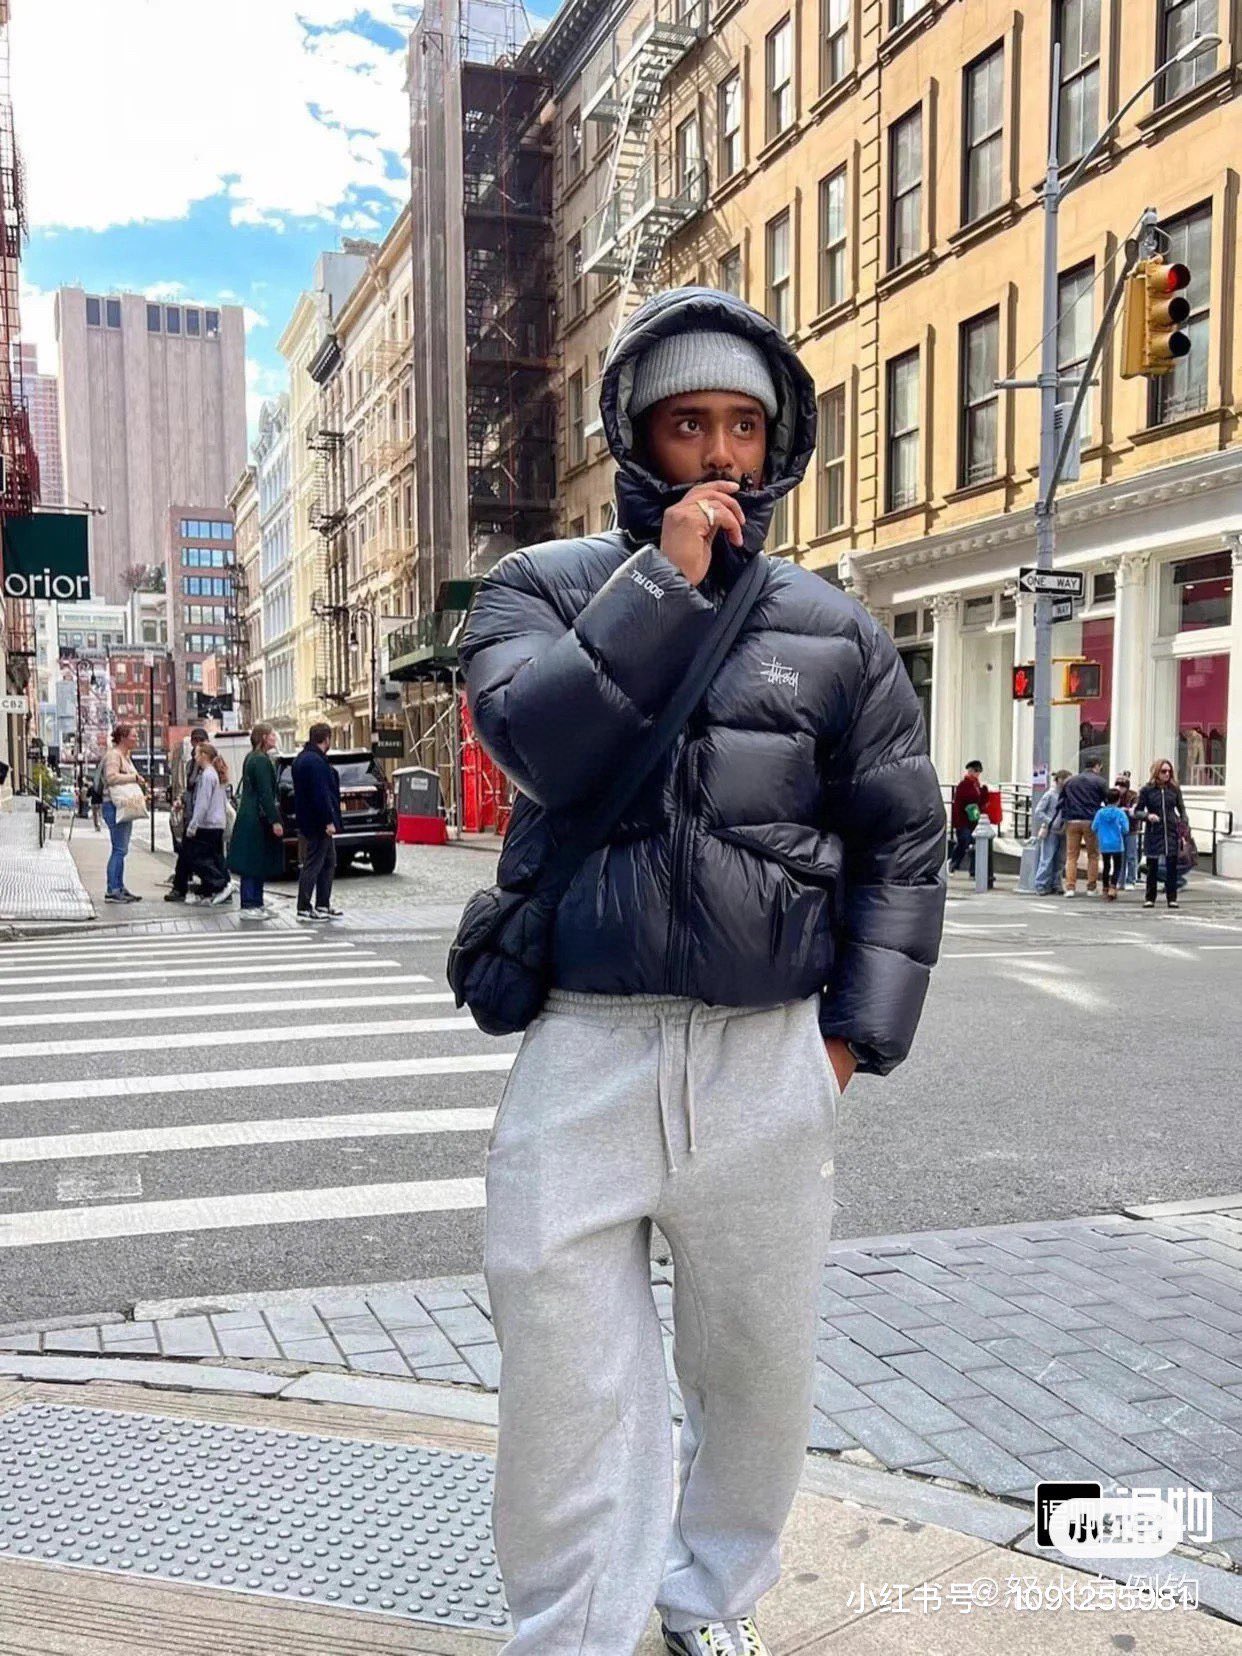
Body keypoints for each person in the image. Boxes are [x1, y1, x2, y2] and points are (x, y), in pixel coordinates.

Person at [458, 286, 946, 1656]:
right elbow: (536, 745)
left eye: (743, 423)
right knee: (562, 1376)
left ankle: (705, 1603)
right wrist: (660, 588)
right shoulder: (540, 589)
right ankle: (571, 1630)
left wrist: (847, 1042)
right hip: (586, 1039)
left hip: (763, 1053)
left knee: (754, 1370)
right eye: (689, 423)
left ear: (776, 440)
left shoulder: (835, 628)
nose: (720, 452)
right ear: (637, 436)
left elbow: (900, 841)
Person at [228, 722, 285, 918]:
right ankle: (250, 904)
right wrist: (275, 820)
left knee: (255, 861)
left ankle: (255, 903)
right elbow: (265, 793)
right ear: (263, 737)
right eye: (272, 735)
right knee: (253, 862)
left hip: (249, 815)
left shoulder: (251, 757)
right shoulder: (261, 760)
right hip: (255, 819)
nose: (274, 738)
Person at [291, 722, 343, 921]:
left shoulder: (302, 759)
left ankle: (322, 904)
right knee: (314, 863)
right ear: (326, 739)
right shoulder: (316, 762)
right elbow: (321, 794)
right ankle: (304, 906)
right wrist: (328, 820)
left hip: (307, 818)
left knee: (329, 860)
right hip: (317, 822)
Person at [101, 723, 149, 903]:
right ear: (123, 738)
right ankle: (113, 889)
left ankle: (119, 886)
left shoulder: (125, 756)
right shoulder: (114, 756)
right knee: (119, 849)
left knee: (121, 849)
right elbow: (111, 777)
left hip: (121, 806)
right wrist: (133, 777)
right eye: (133, 736)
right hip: (114, 806)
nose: (136, 739)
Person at [180, 742, 233, 904]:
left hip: (207, 824)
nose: (195, 757)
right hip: (217, 823)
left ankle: (219, 884)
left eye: (196, 753)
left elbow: (202, 803)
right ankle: (213, 890)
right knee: (214, 857)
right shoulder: (214, 773)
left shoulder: (207, 775)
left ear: (204, 755)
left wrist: (193, 825)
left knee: (197, 858)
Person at [1137, 758, 1189, 911]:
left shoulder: (1174, 789)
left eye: (1169, 771)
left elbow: (1182, 808)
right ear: (1156, 772)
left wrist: (1183, 824)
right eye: (1163, 771)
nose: (1167, 774)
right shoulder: (1147, 790)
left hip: (1171, 831)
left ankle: (1172, 898)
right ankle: (1150, 898)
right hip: (1154, 831)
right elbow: (1138, 811)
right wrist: (1148, 816)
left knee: (1171, 866)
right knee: (1152, 866)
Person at [168, 726, 210, 902]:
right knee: (187, 852)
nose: (198, 744)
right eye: (195, 740)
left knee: (208, 854)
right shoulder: (191, 764)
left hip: (203, 817)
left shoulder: (209, 765)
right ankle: (181, 887)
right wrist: (181, 800)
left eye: (201, 740)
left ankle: (214, 885)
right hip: (192, 814)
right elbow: (189, 789)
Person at [1058, 758, 1107, 897]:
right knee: (1093, 855)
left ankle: (1070, 887)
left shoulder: (1070, 782)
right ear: (1097, 766)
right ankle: (1091, 887)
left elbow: (1062, 800)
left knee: (1071, 856)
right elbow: (1107, 800)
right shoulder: (1100, 781)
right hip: (1091, 820)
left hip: (1072, 820)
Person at [1032, 768, 1071, 895]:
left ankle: (1056, 883)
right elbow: (1038, 811)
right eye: (1067, 780)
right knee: (1047, 858)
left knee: (1060, 859)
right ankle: (1040, 884)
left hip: (1063, 829)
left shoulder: (1068, 795)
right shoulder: (1050, 794)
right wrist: (1050, 821)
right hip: (1051, 830)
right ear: (1059, 780)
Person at [1091, 789, 1130, 903]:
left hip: (1104, 843)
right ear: (1118, 800)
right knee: (1117, 866)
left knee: (1106, 866)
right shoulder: (1120, 813)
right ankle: (1113, 887)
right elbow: (1126, 829)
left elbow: (1094, 827)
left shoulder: (1100, 813)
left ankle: (1105, 888)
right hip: (1117, 843)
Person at [949, 761, 985, 873]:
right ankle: (954, 863)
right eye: (974, 771)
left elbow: (979, 802)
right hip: (963, 821)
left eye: (977, 771)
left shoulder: (976, 785)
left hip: (973, 821)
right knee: (964, 842)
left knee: (974, 844)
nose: (976, 774)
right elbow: (961, 803)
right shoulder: (964, 785)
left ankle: (973, 869)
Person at [1116, 771, 1140, 891]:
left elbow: (1135, 808)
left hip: (1131, 829)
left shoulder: (1133, 795)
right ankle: (1120, 880)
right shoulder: (1115, 794)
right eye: (1118, 785)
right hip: (1119, 829)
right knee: (1120, 855)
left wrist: (1127, 809)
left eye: (1122, 786)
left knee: (1131, 855)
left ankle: (1131, 879)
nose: (1120, 788)